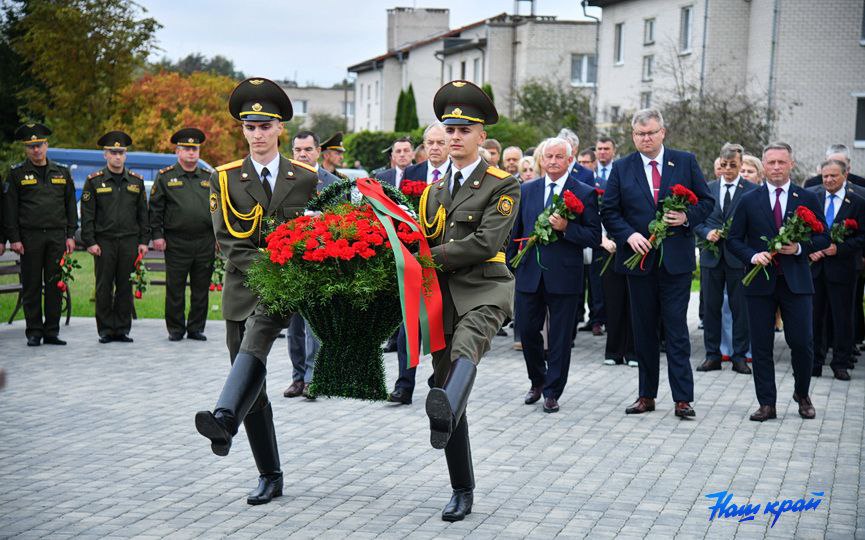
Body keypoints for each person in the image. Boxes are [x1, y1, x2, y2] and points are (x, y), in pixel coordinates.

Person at [194, 77, 319, 505]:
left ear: (280, 128)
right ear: (243, 130)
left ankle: (224, 419)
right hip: (244, 291)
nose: (258, 133)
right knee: (253, 385)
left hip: (287, 292)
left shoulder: (305, 178)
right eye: (250, 126)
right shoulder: (225, 178)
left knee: (249, 365)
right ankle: (270, 474)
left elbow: (318, 233)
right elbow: (228, 242)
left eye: (265, 125)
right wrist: (271, 270)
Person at [420, 80, 520, 521]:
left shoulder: (503, 184)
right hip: (442, 299)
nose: (455, 137)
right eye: (450, 129)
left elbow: (484, 242)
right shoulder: (433, 191)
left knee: (466, 352)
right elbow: (418, 237)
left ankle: (444, 416)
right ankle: (462, 488)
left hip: (485, 289)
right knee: (445, 394)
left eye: (465, 130)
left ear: (483, 137)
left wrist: (427, 257)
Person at [600, 108, 713, 418]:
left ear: (663, 132)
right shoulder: (623, 167)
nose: (645, 138)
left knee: (676, 330)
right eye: (639, 134)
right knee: (644, 330)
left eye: (650, 132)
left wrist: (686, 217)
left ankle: (682, 399)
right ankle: (646, 395)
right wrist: (628, 235)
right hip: (638, 263)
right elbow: (609, 211)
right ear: (633, 136)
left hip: (675, 262)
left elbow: (706, 202)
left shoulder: (685, 161)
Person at [726, 142, 829, 421]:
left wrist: (798, 248)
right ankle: (767, 403)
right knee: (760, 345)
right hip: (760, 283)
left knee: (802, 343)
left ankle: (802, 393)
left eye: (781, 162)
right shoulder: (749, 199)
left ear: (791, 164)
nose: (775, 168)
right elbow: (733, 240)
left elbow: (824, 237)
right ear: (763, 164)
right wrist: (752, 255)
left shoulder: (806, 197)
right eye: (770, 162)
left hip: (796, 281)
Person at [507, 137, 600, 413]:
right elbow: (517, 229)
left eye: (559, 157)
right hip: (529, 274)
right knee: (527, 331)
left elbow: (594, 237)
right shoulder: (528, 189)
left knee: (559, 338)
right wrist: (512, 261)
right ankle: (537, 380)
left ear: (570, 160)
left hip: (564, 276)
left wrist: (566, 227)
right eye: (548, 157)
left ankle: (552, 391)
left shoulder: (583, 192)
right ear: (541, 160)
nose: (553, 162)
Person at [388, 122, 452, 405]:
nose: (435, 148)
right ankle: (404, 385)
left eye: (440, 142)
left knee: (444, 328)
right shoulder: (411, 174)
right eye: (430, 143)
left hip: (448, 261)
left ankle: (439, 379)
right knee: (407, 328)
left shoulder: (458, 175)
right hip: (415, 261)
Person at [2, 123, 77, 346]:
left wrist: (71, 234)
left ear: (47, 145)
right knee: (32, 285)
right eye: (31, 146)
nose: (36, 150)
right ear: (26, 149)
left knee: (55, 284)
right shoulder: (17, 174)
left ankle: (52, 331)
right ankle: (34, 331)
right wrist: (13, 238)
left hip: (56, 237)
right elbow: (10, 209)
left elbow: (70, 206)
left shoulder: (61, 172)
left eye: (40, 145)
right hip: (29, 238)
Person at [80, 131, 149, 344]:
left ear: (126, 155)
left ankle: (122, 329)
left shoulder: (136, 182)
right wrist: (90, 241)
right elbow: (88, 214)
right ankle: (105, 330)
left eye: (121, 152)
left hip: (129, 241)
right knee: (104, 287)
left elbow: (142, 215)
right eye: (113, 152)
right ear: (105, 155)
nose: (117, 156)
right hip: (104, 242)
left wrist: (143, 241)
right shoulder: (94, 181)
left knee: (125, 286)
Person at [694, 143, 756, 374]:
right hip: (712, 257)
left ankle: (739, 356)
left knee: (741, 309)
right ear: (718, 163)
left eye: (733, 165)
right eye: (724, 164)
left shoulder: (751, 190)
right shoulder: (707, 189)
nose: (728, 169)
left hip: (738, 259)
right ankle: (713, 355)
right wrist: (705, 232)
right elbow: (696, 219)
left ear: (741, 166)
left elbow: (756, 222)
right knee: (711, 308)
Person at [148, 128, 215, 342]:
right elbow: (156, 209)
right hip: (176, 241)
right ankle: (175, 329)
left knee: (201, 288)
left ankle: (196, 328)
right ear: (178, 152)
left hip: (204, 241)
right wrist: (157, 235)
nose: (191, 153)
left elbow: (217, 209)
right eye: (186, 149)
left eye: (194, 149)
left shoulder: (209, 178)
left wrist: (218, 237)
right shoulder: (166, 177)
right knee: (175, 288)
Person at [809, 159, 865, 380]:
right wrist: (810, 249)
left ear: (845, 176)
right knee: (815, 316)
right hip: (816, 268)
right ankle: (815, 361)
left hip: (843, 268)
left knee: (843, 317)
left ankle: (840, 362)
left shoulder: (858, 202)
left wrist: (839, 248)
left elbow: (862, 236)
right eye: (825, 176)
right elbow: (804, 229)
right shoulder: (813, 198)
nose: (829, 180)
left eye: (833, 176)